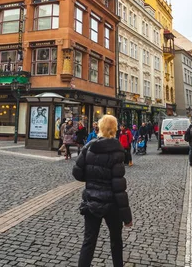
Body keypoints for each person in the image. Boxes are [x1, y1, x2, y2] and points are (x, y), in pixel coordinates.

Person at [73, 114, 133, 267]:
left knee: (89, 242)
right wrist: (127, 217)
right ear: (114, 129)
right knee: (116, 241)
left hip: (92, 201)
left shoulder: (89, 146)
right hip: (112, 204)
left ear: (99, 127)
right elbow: (119, 187)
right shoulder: (117, 150)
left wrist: (92, 178)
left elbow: (77, 173)